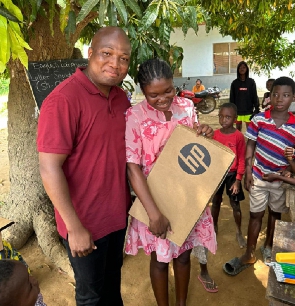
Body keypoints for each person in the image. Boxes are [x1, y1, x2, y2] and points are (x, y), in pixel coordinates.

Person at [37, 26, 132, 305]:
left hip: (116, 216)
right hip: (84, 224)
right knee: (90, 296)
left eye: (124, 58)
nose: (115, 63)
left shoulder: (120, 98)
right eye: (107, 53)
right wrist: (74, 226)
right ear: (90, 54)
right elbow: (49, 167)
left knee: (113, 285)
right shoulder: (63, 100)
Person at [125, 58, 218, 305]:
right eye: (153, 95)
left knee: (184, 256)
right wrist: (153, 214)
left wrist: (204, 133)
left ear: (174, 83)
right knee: (160, 259)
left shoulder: (187, 107)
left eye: (168, 90)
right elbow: (133, 167)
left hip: (186, 196)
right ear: (143, 92)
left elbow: (196, 145)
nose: (163, 98)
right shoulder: (134, 116)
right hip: (154, 199)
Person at [223, 76, 295, 275]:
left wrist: (289, 169)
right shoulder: (259, 119)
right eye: (276, 94)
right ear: (269, 96)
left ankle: (269, 247)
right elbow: (251, 145)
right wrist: (247, 170)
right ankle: (249, 253)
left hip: (280, 181)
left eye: (286, 95)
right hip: (258, 176)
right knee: (255, 214)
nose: (280, 99)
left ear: (293, 97)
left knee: (275, 213)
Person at [211, 103, 246, 248]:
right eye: (221, 116)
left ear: (235, 119)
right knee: (216, 202)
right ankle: (214, 227)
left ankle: (238, 231)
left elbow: (242, 159)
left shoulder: (238, 136)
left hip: (232, 175)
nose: (223, 120)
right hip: (218, 174)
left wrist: (238, 180)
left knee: (235, 204)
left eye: (227, 117)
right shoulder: (215, 135)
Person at [229, 61, 259, 131]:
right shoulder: (234, 83)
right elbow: (232, 97)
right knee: (238, 128)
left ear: (247, 69)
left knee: (250, 129)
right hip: (237, 111)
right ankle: (239, 141)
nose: (242, 69)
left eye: (244, 67)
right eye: (240, 67)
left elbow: (254, 95)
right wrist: (231, 109)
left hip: (248, 110)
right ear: (238, 69)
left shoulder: (251, 82)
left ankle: (249, 141)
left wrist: (256, 107)